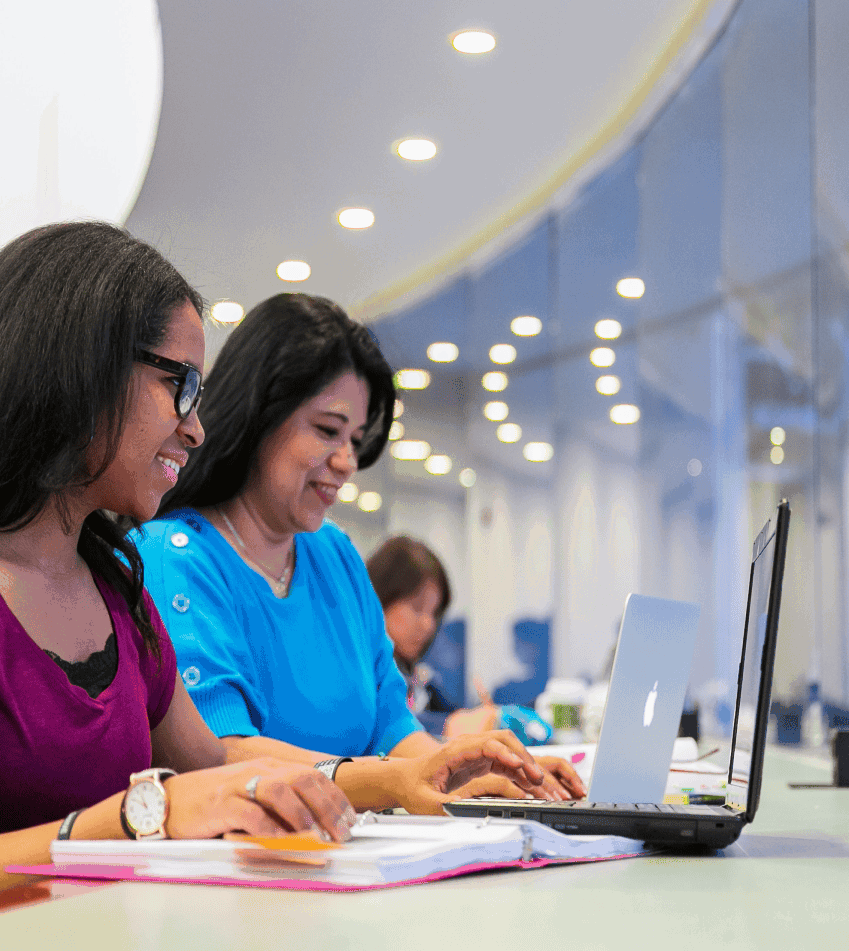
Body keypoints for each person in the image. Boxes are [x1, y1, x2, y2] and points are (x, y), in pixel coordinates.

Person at [0, 225, 544, 932]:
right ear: (73, 372)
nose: (196, 428)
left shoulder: (112, 580)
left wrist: (396, 780)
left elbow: (212, 760)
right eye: (177, 386)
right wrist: (154, 812)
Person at [133, 293, 585, 804]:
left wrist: (485, 775)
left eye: (357, 438)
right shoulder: (173, 560)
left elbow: (395, 729)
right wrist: (390, 780)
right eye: (328, 430)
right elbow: (222, 754)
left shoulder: (337, 556)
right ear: (258, 417)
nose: (348, 461)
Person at [365, 534, 497, 737]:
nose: (428, 625)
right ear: (379, 600)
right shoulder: (361, 673)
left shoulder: (422, 680)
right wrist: (447, 726)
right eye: (417, 608)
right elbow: (375, 722)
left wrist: (482, 719)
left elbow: (453, 713)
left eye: (434, 612)